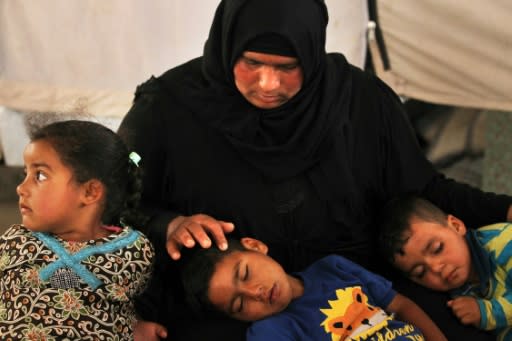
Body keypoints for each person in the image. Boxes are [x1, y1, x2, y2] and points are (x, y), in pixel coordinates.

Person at [118, 0, 512, 340]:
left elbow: (423, 187)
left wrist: (504, 209)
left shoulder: (359, 101)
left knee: (463, 325)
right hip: (238, 312)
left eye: (287, 66)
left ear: (311, 51)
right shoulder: (164, 112)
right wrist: (169, 225)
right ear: (227, 45)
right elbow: (115, 207)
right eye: (251, 62)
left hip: (359, 288)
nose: (267, 83)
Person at [0, 120, 155, 340]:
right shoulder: (15, 241)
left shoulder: (133, 251)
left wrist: (135, 327)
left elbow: (119, 302)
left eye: (40, 176)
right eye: (25, 174)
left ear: (90, 192)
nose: (21, 188)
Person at [179, 237, 447, 341]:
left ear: (256, 246)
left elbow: (401, 305)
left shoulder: (332, 268)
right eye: (240, 305)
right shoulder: (268, 332)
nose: (255, 292)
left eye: (246, 274)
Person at [378, 195, 512, 340]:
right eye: (421, 272)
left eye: (437, 249)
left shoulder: (504, 241)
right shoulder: (455, 296)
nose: (436, 268)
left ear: (456, 226)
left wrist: (487, 313)